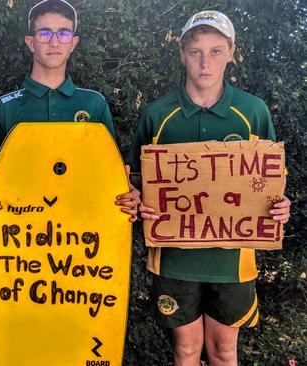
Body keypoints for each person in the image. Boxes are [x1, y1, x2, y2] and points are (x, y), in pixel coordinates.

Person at [127, 11, 291, 365]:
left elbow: (271, 179)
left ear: (231, 52)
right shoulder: (158, 114)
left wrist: (280, 206)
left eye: (216, 51)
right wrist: (139, 200)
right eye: (196, 51)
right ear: (182, 53)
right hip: (174, 260)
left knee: (223, 351)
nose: (205, 62)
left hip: (232, 262)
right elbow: (135, 181)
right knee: (185, 350)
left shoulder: (253, 111)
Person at [0, 0, 139, 223]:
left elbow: (109, 174)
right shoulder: (5, 106)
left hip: (84, 229)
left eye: (63, 34)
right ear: (30, 42)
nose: (54, 42)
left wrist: (128, 194)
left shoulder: (94, 104)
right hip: (23, 234)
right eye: (44, 33)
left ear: (73, 42)